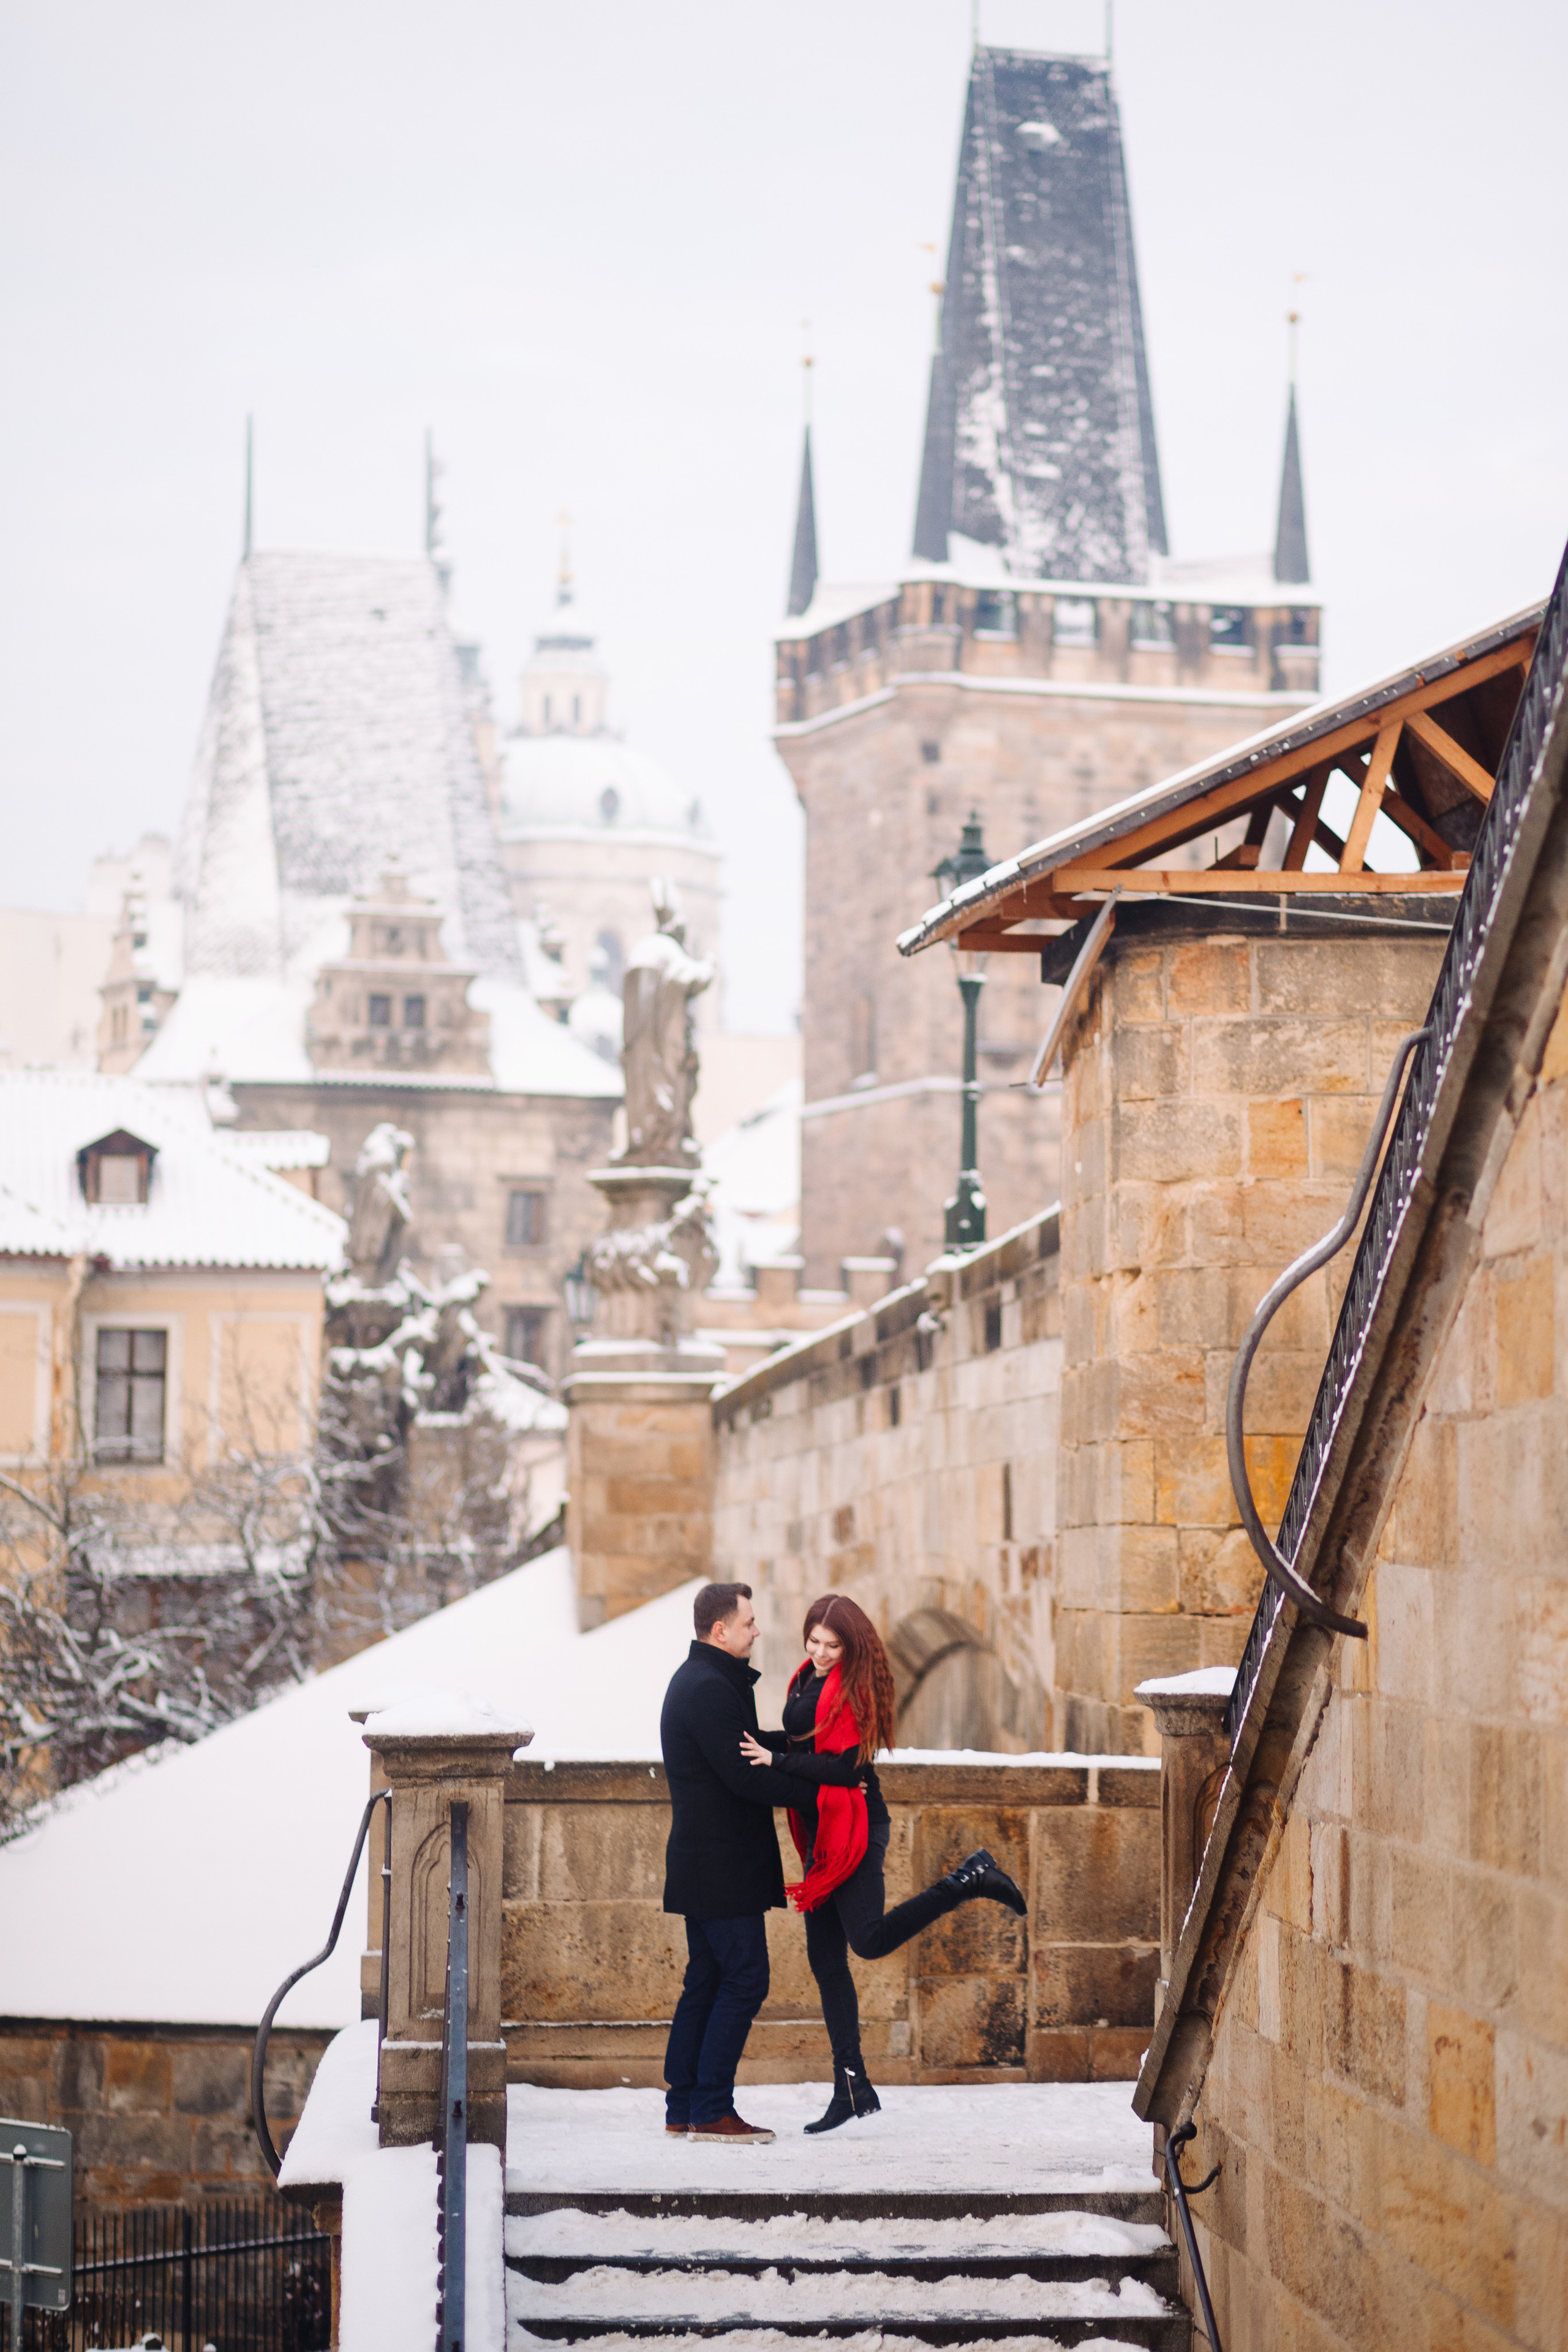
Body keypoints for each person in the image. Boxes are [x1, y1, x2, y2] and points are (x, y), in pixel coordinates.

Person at [741, 1593, 1027, 2135]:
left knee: (867, 1940)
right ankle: (851, 2086)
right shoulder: (805, 1678)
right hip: (822, 1834)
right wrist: (756, 1742)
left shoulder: (855, 1690)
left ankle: (968, 1878)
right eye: (815, 1641)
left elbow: (847, 1771)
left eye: (832, 1645)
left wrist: (775, 1759)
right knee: (826, 1961)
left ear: (851, 1645)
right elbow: (808, 1743)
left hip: (857, 1827)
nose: (821, 1652)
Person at [660, 1580, 864, 2146]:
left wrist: (805, 1756)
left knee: (706, 1979)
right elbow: (744, 1775)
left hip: (709, 1862)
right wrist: (827, 1795)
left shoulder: (708, 1680)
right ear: (720, 1631)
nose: (758, 1630)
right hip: (720, 1866)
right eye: (749, 1623)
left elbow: (750, 1748)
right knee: (745, 1980)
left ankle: (685, 2105)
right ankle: (710, 2108)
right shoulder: (708, 1688)